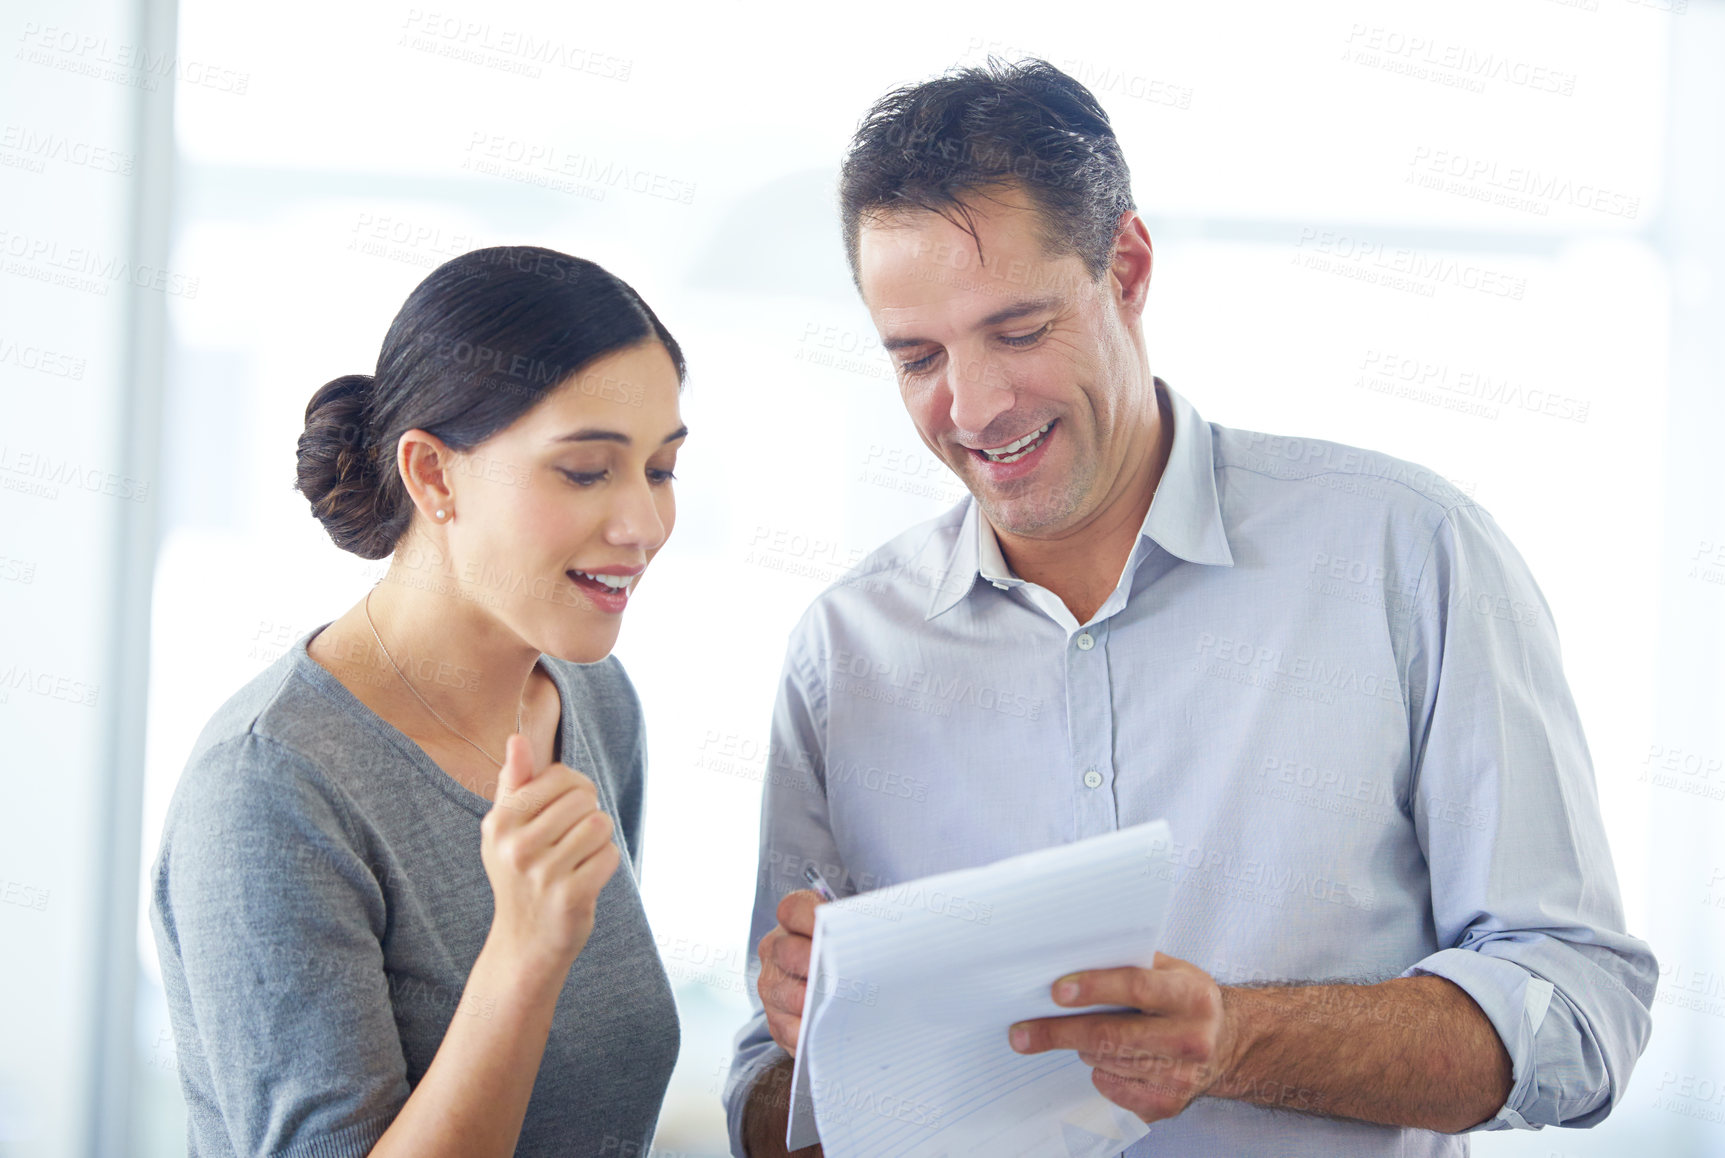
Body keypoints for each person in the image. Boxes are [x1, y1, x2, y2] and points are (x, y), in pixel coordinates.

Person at [723, 60, 1656, 1157]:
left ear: (1125, 268)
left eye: (1018, 330)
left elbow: (1582, 1011)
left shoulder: (1409, 556)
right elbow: (765, 1114)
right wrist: (828, 1039)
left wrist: (1237, 1038)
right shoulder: (844, 655)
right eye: (918, 356)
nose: (971, 408)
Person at [148, 244, 689, 1157]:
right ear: (433, 476)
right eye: (587, 471)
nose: (642, 525)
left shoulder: (593, 700)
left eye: (661, 470)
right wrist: (521, 956)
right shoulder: (269, 789)